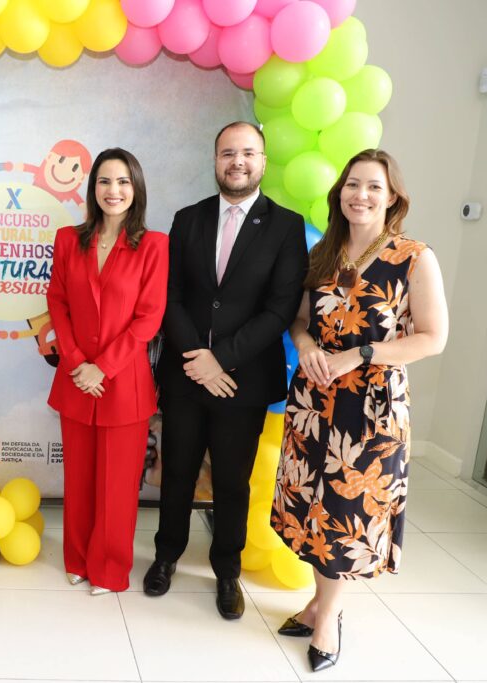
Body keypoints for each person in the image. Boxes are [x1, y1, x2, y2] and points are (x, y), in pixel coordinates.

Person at [272, 149, 447, 671]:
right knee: (311, 509)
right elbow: (299, 320)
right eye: (352, 184)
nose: (361, 195)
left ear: (392, 197)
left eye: (374, 186)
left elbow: (432, 338)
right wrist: (306, 346)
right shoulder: (324, 252)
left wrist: (360, 354)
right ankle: (316, 603)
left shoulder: (414, 257)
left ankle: (328, 618)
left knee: (346, 515)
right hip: (315, 401)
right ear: (340, 192)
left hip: (371, 410)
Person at [145, 122, 308, 619]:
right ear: (215, 160)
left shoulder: (285, 226)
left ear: (263, 161)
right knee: (177, 472)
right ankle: (166, 556)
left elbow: (281, 308)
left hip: (243, 379)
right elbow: (169, 296)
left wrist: (222, 358)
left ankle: (226, 571)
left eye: (248, 153)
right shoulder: (188, 219)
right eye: (228, 153)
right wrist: (198, 356)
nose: (237, 161)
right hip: (186, 374)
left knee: (233, 482)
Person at [46, 148, 167, 594]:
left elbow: (149, 318)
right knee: (79, 479)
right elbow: (57, 301)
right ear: (92, 188)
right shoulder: (68, 239)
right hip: (77, 379)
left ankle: (109, 568)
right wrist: (78, 363)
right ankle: (77, 559)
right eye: (104, 181)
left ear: (136, 189)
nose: (113, 191)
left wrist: (104, 368)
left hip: (123, 383)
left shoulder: (153, 245)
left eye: (122, 182)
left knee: (116, 487)